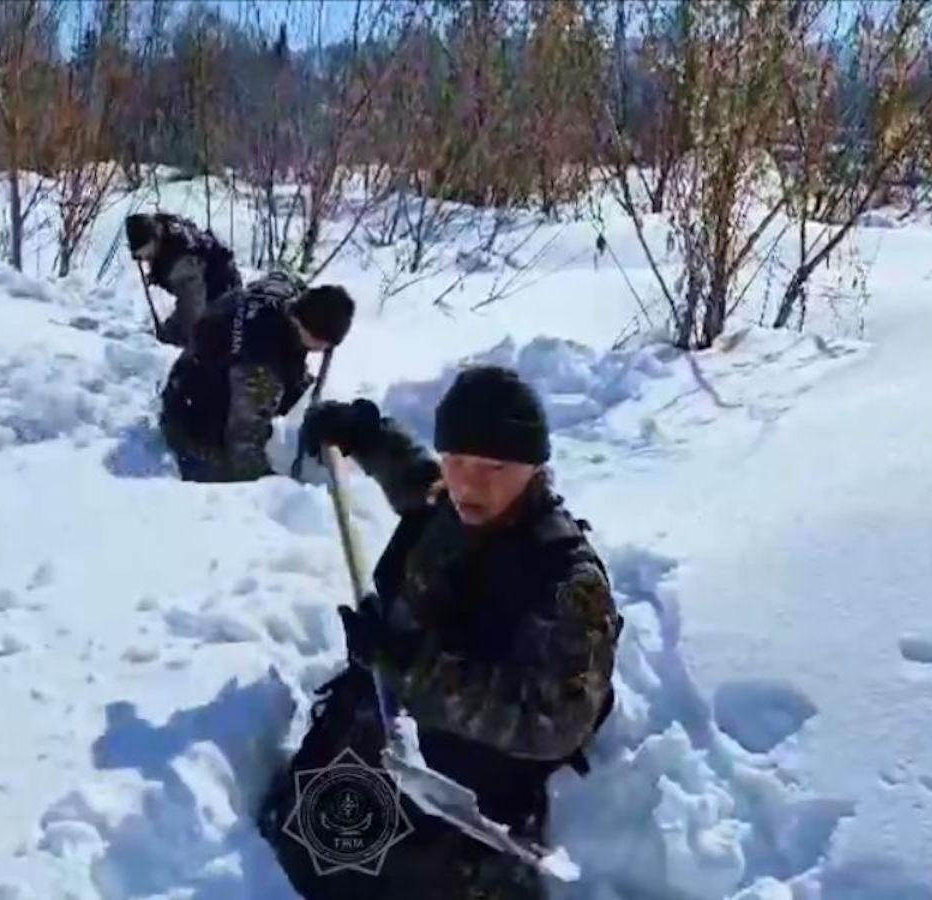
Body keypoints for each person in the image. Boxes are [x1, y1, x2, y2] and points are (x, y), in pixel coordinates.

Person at [258, 365, 623, 899]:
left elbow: (558, 721)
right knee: (302, 836)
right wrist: (364, 435)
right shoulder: (453, 507)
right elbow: (416, 476)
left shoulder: (565, 579)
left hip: (469, 792)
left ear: (533, 468)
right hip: (393, 734)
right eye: (458, 462)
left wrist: (412, 663)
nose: (469, 483)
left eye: (494, 466)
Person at [158, 271, 355, 483]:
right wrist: (273, 488)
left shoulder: (281, 293)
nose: (321, 351)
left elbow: (283, 274)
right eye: (323, 346)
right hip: (193, 421)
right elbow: (244, 444)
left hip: (194, 375)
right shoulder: (261, 362)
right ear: (314, 336)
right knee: (227, 480)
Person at [125, 211, 243, 347]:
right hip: (219, 285)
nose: (143, 259)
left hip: (223, 295)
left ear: (154, 239)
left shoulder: (181, 261)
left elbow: (192, 307)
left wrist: (176, 337)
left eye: (145, 253)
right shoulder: (167, 230)